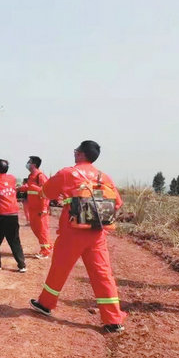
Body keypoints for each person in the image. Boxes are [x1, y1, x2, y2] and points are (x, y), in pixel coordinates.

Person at [29, 140, 127, 333]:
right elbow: (117, 203)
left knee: (59, 268)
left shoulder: (68, 173)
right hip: (97, 233)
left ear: (81, 154)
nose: (74, 153)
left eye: (76, 150)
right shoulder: (104, 176)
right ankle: (114, 319)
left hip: (72, 232)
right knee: (103, 274)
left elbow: (46, 192)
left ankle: (46, 304)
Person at [18, 156, 52, 259]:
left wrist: (44, 208)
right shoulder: (31, 176)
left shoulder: (40, 176)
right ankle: (48, 246)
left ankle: (45, 251)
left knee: (42, 230)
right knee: (36, 229)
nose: (27, 164)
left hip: (40, 209)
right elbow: (29, 187)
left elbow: (46, 193)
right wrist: (19, 188)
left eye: (29, 162)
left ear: (34, 164)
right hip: (33, 208)